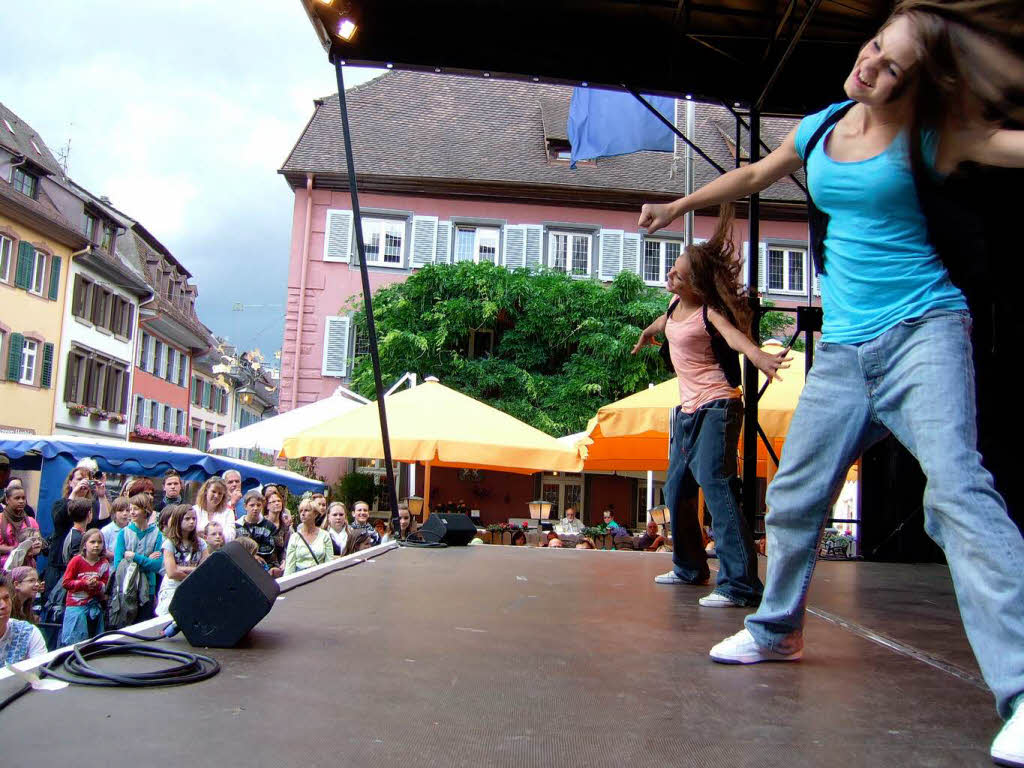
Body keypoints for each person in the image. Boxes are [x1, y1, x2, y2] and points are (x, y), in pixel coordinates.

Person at [639, 3, 1024, 760]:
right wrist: (681, 203)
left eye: (893, 66)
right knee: (794, 495)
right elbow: (756, 171)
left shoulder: (928, 133)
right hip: (843, 352)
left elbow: (1007, 142)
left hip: (922, 334)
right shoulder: (819, 125)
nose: (871, 66)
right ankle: (776, 632)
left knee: (955, 493)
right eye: (875, 47)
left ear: (921, 81)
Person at [634, 200, 782, 608]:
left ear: (694, 284)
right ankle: (689, 567)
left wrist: (757, 356)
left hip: (717, 406)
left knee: (717, 489)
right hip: (686, 412)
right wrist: (648, 333)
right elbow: (664, 324)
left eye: (677, 274)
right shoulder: (673, 307)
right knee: (678, 488)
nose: (669, 274)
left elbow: (735, 339)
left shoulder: (708, 313)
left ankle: (740, 585)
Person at [45, 463, 108, 592]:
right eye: (79, 479)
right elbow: (59, 518)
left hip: (84, 568)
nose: (83, 483)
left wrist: (101, 495)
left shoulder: (92, 506)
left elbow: (104, 523)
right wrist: (74, 493)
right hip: (58, 564)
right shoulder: (60, 503)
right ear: (70, 482)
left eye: (86, 479)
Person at [113, 493, 164, 622]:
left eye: (135, 509)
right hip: (127, 586)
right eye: (130, 509)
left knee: (144, 624)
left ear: (145, 510)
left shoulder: (157, 534)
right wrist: (147, 560)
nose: (131, 512)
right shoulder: (123, 533)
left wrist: (134, 557)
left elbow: (157, 565)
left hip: (149, 588)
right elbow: (119, 565)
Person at [59, 528, 110, 645]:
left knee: (94, 641)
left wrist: (97, 584)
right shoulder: (76, 561)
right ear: (85, 544)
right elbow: (66, 583)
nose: (96, 545)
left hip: (93, 605)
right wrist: (84, 583)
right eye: (92, 542)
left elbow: (104, 585)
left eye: (99, 542)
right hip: (75, 606)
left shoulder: (104, 563)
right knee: (74, 641)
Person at [155, 505, 207, 616]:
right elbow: (172, 572)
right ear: (178, 520)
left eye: (194, 519)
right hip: (173, 587)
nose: (192, 522)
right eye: (187, 519)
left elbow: (205, 570)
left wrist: (181, 568)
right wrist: (194, 571)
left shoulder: (201, 543)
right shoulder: (169, 543)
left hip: (194, 587)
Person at [0, 572, 47, 664]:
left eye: (6, 598)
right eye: (31, 580)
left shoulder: (28, 632)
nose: (3, 605)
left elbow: (41, 671)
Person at [284, 498, 335, 575]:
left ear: (315, 514)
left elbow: (329, 562)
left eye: (306, 510)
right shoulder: (294, 537)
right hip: (299, 577)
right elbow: (289, 566)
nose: (303, 513)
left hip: (319, 576)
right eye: (301, 511)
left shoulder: (325, 535)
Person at [236, 490, 280, 571]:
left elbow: (272, 549)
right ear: (245, 506)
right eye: (252, 505)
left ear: (262, 506)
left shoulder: (270, 527)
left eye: (258, 505)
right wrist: (252, 556)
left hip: (265, 567)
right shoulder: (237, 526)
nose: (255, 508)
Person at [193, 476, 237, 543]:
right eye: (213, 491)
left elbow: (230, 536)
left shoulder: (228, 512)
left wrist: (209, 535)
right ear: (206, 491)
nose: (216, 496)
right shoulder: (194, 510)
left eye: (220, 493)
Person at [0, 485, 40, 558]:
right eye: (17, 498)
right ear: (7, 500)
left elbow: (37, 548)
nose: (21, 501)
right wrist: (14, 549)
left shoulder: (31, 521)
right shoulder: (0, 519)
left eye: (23, 498)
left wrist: (36, 547)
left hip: (26, 565)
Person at [263, 485, 291, 564]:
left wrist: (284, 561)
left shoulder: (285, 526)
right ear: (267, 506)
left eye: (279, 501)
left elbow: (286, 548)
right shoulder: (262, 522)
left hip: (279, 564)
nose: (277, 503)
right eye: (273, 502)